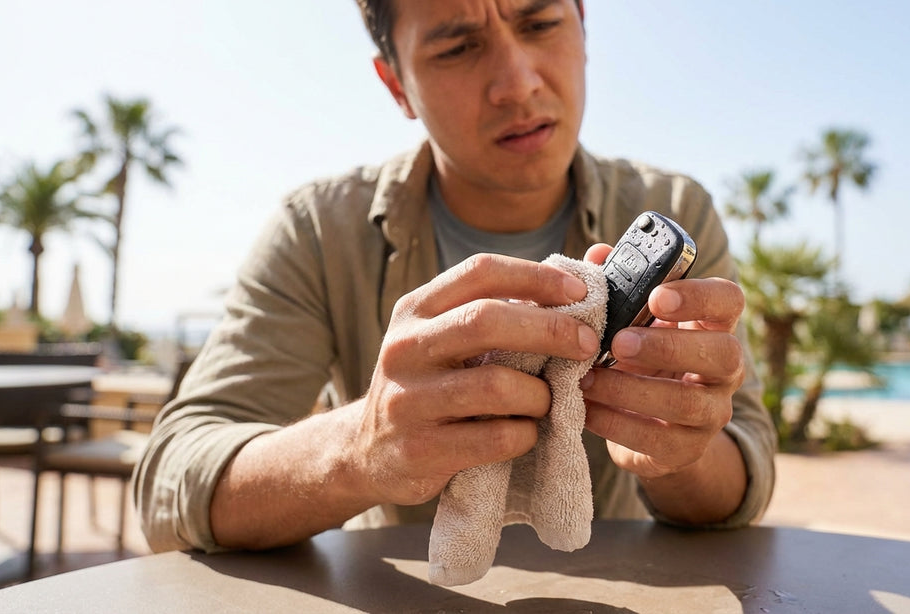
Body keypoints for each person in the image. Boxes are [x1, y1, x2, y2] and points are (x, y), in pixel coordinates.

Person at [134, 0, 777, 553]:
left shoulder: (676, 208)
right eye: (459, 47)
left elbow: (745, 471)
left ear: (583, 24)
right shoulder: (318, 231)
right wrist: (360, 449)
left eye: (541, 22)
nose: (518, 82)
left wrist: (676, 453)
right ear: (396, 86)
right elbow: (173, 478)